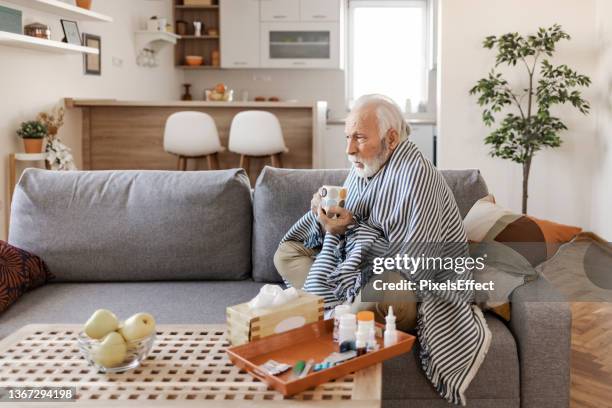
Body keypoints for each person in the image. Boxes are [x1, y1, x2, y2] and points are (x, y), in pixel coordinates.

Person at [273, 94, 491, 406]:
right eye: (348, 137)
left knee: (388, 290)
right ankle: (337, 307)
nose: (349, 149)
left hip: (408, 287)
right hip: (361, 271)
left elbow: (417, 269)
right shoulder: (366, 168)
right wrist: (323, 218)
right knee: (287, 253)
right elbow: (352, 217)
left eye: (360, 138)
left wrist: (350, 232)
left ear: (391, 138)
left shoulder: (416, 175)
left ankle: (328, 308)